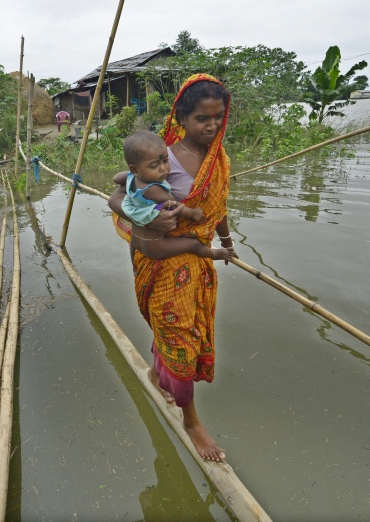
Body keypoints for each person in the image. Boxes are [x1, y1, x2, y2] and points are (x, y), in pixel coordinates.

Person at [109, 73, 236, 462]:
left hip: (194, 261)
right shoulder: (161, 155)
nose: (211, 125)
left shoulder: (219, 160)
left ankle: (154, 373)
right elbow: (118, 194)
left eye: (218, 116)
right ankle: (191, 419)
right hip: (158, 260)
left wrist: (227, 241)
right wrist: (148, 222)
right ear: (182, 117)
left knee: (185, 336)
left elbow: (218, 208)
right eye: (202, 118)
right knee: (177, 340)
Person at [113, 130, 232, 268]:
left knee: (133, 242)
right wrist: (193, 213)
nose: (163, 169)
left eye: (165, 161)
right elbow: (175, 205)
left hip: (137, 239)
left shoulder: (132, 178)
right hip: (156, 244)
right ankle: (216, 254)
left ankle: (134, 268)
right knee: (194, 245)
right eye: (154, 165)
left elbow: (116, 178)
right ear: (135, 169)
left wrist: (134, 173)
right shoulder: (153, 190)